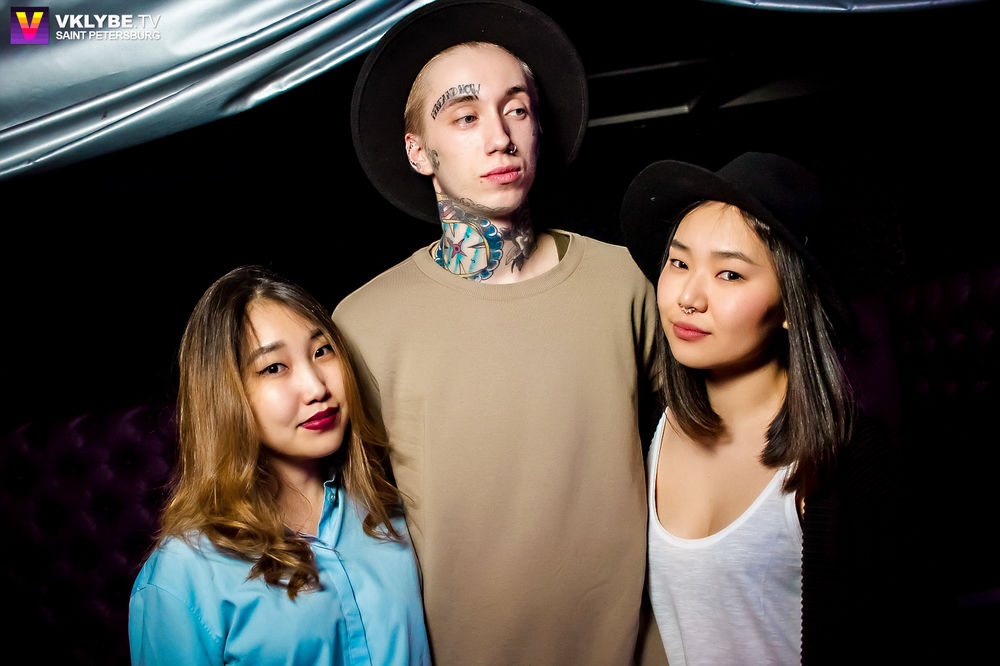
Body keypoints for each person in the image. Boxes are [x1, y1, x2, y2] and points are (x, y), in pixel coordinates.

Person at [335, 0, 664, 663]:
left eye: (516, 109)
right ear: (420, 152)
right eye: (464, 117)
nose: (500, 137)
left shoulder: (628, 282)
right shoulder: (361, 325)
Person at [621, 152, 909, 664]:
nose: (689, 297)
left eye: (730, 274)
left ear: (790, 306)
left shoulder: (850, 461)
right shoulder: (643, 430)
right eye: (679, 263)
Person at [128, 266, 430, 665]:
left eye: (322, 351)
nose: (317, 388)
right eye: (274, 367)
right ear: (226, 395)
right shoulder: (182, 576)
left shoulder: (392, 511)